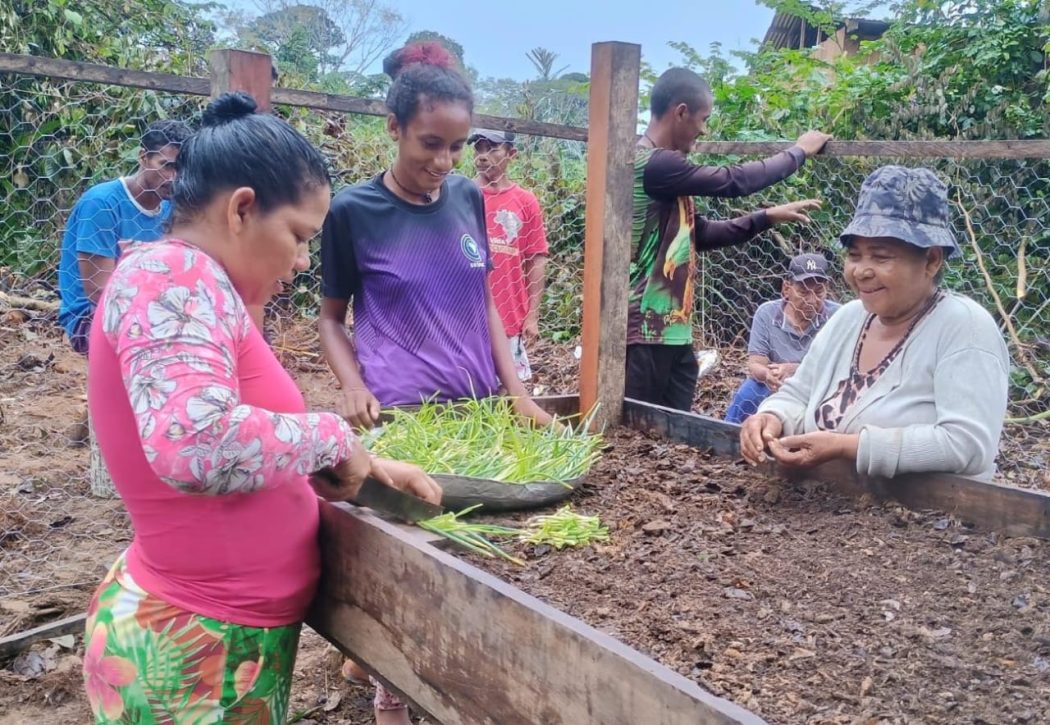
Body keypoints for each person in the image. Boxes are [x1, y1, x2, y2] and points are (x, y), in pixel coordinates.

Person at [82, 92, 440, 723]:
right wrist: (331, 434)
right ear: (242, 209)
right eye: (299, 236)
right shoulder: (172, 278)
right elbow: (196, 445)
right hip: (191, 655)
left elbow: (246, 438)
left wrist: (366, 464)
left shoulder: (195, 285)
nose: (303, 262)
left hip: (219, 644)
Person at [319, 42, 551, 430]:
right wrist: (352, 385)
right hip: (399, 416)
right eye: (430, 144)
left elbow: (484, 301)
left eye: (456, 146)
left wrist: (517, 395)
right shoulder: (353, 210)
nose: (444, 161)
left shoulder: (467, 196)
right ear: (395, 127)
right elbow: (330, 319)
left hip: (478, 409)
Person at [740, 166, 1010, 481]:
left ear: (932, 260)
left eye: (881, 258)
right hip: (823, 506)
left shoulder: (964, 327)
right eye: (855, 256)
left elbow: (967, 445)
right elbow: (798, 393)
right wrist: (772, 416)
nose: (862, 271)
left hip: (930, 519)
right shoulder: (848, 317)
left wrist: (847, 447)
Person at [628, 66, 832, 410]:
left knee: (673, 438)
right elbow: (733, 181)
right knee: (634, 434)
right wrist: (798, 152)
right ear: (681, 112)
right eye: (703, 118)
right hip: (642, 328)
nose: (703, 130)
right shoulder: (654, 165)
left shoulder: (667, 175)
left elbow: (700, 234)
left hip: (671, 331)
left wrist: (766, 217)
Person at [58, 119, 191, 354]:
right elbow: (99, 292)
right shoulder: (101, 204)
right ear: (142, 157)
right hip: (93, 318)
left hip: (157, 313)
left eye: (181, 169)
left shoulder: (172, 207)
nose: (174, 177)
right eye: (166, 165)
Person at [724, 252, 841, 423]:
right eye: (803, 292)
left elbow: (839, 367)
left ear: (827, 289)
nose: (812, 300)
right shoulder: (767, 313)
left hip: (818, 386)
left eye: (818, 292)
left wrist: (794, 369)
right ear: (786, 289)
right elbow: (755, 363)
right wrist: (767, 375)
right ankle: (725, 439)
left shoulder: (837, 316)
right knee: (749, 393)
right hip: (775, 385)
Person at [470, 128, 549, 381]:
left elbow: (536, 257)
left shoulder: (525, 201)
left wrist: (532, 317)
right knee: (468, 390)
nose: (483, 156)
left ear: (511, 154)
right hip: (467, 317)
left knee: (508, 393)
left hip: (509, 315)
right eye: (479, 149)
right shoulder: (463, 195)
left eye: (492, 149)